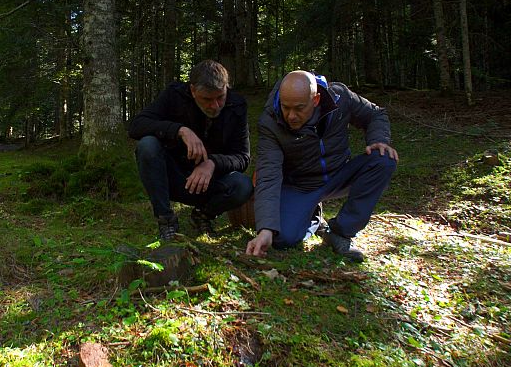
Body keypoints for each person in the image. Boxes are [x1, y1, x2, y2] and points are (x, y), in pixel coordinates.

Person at [245, 70, 398, 262]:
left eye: (299, 108)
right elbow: (268, 174)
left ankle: (340, 232)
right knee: (283, 238)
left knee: (383, 159)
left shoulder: (341, 98)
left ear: (316, 100)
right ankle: (313, 217)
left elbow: (375, 114)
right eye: (286, 107)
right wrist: (266, 228)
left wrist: (378, 139)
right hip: (300, 185)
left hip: (339, 174)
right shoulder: (270, 122)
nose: (291, 116)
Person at [128, 60, 253, 241]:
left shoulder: (237, 105)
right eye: (207, 99)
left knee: (242, 185)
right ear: (193, 90)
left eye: (220, 97)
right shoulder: (174, 95)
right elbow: (137, 126)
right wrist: (180, 130)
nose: (215, 105)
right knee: (147, 145)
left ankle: (203, 215)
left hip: (209, 182)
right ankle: (166, 220)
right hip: (173, 177)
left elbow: (242, 156)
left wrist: (212, 163)